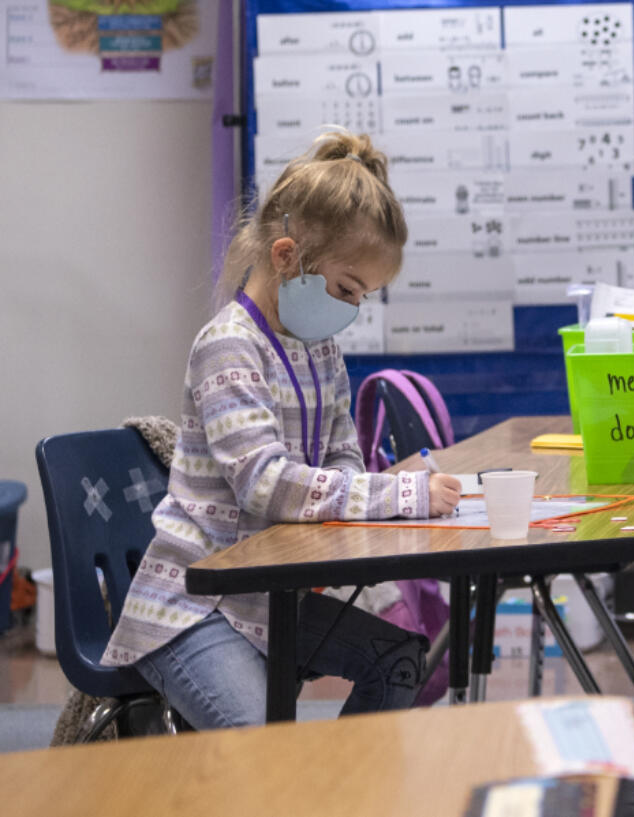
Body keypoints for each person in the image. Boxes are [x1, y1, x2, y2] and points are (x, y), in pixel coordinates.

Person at [102, 130, 461, 730]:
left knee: (399, 659)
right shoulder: (228, 346)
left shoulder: (317, 349)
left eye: (363, 297)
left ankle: (334, 795)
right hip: (193, 606)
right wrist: (396, 494)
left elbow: (343, 453)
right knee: (269, 749)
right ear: (287, 256)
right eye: (347, 290)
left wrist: (348, 496)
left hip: (266, 596)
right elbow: (265, 486)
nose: (350, 309)